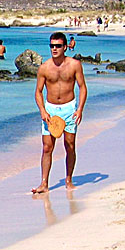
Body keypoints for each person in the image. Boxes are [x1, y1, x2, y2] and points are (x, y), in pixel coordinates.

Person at [32, 32, 88, 193]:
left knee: (69, 146)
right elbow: (38, 91)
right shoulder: (44, 68)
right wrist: (42, 110)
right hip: (50, 110)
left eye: (57, 46)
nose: (54, 49)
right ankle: (44, 184)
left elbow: (82, 87)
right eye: (51, 46)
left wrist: (80, 109)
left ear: (65, 47)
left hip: (69, 109)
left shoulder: (75, 65)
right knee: (47, 147)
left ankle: (68, 180)